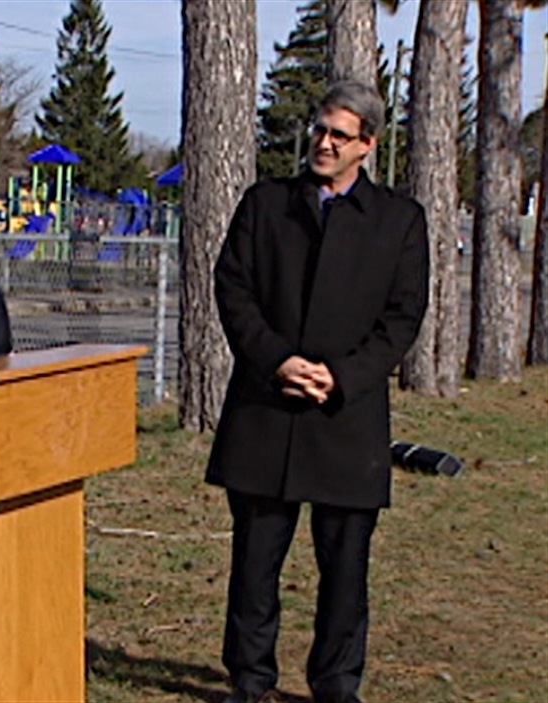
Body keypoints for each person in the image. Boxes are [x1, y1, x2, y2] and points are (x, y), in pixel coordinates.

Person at [207, 81, 429, 703]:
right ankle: (250, 683)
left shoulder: (400, 221)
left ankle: (335, 685)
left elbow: (403, 317)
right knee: (254, 565)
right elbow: (234, 291)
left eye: (340, 134)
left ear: (368, 145)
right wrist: (277, 360)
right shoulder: (265, 204)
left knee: (345, 569)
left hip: (346, 421)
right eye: (320, 129)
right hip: (265, 410)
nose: (324, 143)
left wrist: (346, 376)